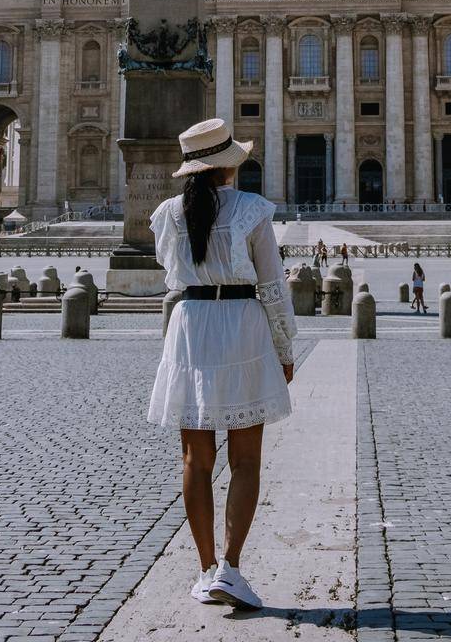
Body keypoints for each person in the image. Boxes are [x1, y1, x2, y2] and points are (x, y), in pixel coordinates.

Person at [148, 118, 296, 611]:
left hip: (190, 325)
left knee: (195, 458)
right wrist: (284, 347)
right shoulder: (252, 211)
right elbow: (273, 288)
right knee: (247, 458)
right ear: (228, 165)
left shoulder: (166, 214)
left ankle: (205, 568)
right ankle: (231, 568)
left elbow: (171, 273)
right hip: (240, 324)